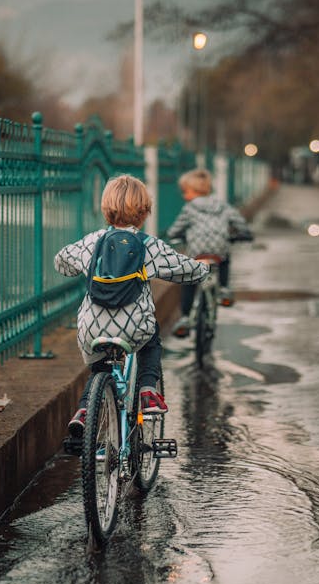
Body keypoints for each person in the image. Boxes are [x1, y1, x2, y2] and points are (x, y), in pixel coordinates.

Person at [54, 174, 209, 437]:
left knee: (101, 367)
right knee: (152, 341)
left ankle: (83, 411)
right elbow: (184, 270)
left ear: (106, 208)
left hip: (92, 327)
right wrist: (203, 269)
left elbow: (61, 261)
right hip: (134, 326)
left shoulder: (93, 241)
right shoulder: (149, 245)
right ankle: (148, 390)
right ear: (144, 211)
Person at [166, 168, 251, 337]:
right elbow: (239, 223)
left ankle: (185, 317)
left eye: (185, 191)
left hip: (197, 253)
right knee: (225, 258)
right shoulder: (223, 205)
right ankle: (225, 288)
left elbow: (173, 231)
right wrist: (244, 234)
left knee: (189, 278)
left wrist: (176, 236)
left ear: (194, 191)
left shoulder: (189, 209)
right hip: (218, 251)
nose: (184, 195)